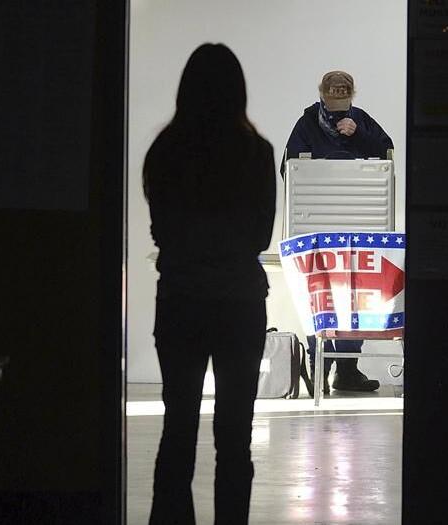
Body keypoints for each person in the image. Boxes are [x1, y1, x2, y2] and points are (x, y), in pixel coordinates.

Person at [143, 43, 275, 525]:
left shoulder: (165, 151)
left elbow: (162, 232)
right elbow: (261, 235)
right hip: (239, 303)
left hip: (180, 300)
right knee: (234, 439)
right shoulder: (256, 153)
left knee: (177, 430)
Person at [283, 71, 393, 393]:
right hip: (316, 229)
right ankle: (320, 367)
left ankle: (347, 369)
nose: (337, 109)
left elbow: (386, 152)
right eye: (332, 101)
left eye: (342, 101)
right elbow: (289, 166)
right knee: (319, 295)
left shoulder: (361, 120)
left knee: (356, 297)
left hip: (359, 225)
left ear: (352, 96)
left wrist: (359, 135)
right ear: (321, 94)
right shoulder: (306, 124)